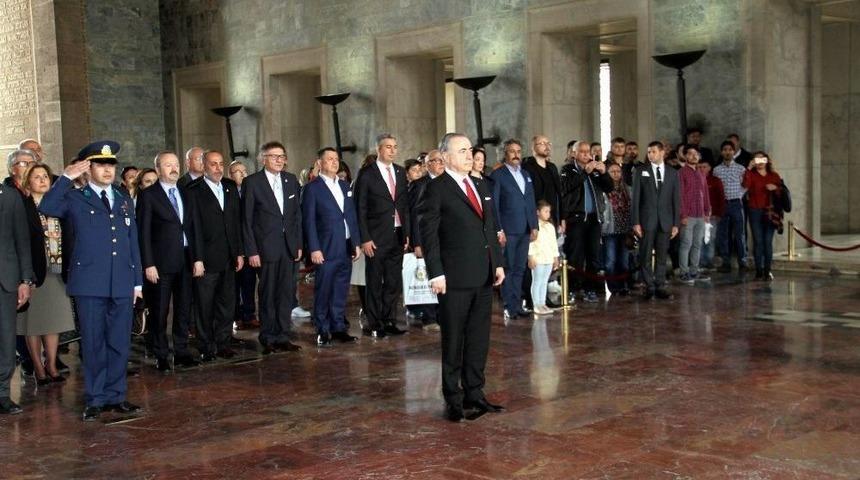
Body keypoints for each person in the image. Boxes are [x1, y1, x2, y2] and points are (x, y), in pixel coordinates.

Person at [39, 140, 144, 421]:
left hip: (121, 281)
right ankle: (96, 398)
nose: (108, 170)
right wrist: (65, 177)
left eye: (111, 165)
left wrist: (137, 282)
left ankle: (117, 395)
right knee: (94, 343)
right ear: (88, 168)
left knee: (120, 342)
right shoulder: (75, 197)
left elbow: (132, 240)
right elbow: (47, 206)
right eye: (100, 165)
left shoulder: (122, 198)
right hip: (90, 282)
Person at [419, 132, 505, 422]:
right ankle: (453, 398)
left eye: (470, 150)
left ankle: (475, 392)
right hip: (453, 278)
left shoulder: (480, 184)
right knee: (454, 340)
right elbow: (428, 235)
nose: (470, 155)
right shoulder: (437, 189)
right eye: (463, 151)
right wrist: (436, 273)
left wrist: (498, 263)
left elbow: (489, 227)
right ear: (445, 157)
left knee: (479, 339)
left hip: (482, 274)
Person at [136, 151, 199, 371]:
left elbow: (193, 228)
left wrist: (198, 258)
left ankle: (181, 351)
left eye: (176, 164)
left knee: (183, 309)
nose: (174, 169)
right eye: (168, 165)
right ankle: (160, 353)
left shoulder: (186, 192)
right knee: (160, 310)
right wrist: (148, 264)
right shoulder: (149, 195)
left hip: (185, 259)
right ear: (157, 169)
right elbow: (143, 233)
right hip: (160, 264)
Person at [242, 141, 302, 354]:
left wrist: (298, 244)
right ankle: (268, 336)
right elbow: (246, 220)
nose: (279, 160)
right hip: (264, 248)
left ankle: (283, 335)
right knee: (268, 293)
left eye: (282, 156)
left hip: (288, 248)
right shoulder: (252, 182)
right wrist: (251, 251)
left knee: (286, 293)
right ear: (263, 158)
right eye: (274, 156)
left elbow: (296, 216)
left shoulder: (291, 180)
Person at [18, 165, 75, 385]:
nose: (42, 180)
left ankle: (51, 364)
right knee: (32, 323)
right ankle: (38, 367)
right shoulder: (23, 206)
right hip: (33, 272)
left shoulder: (59, 206)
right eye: (36, 177)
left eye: (45, 177)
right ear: (27, 182)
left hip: (57, 270)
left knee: (53, 320)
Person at [185, 150, 244, 360]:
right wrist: (197, 259)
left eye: (221, 164)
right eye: (213, 164)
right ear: (204, 165)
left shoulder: (229, 188)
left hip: (228, 257)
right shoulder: (193, 190)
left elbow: (236, 223)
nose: (218, 168)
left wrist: (239, 252)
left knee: (227, 304)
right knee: (204, 305)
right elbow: (193, 229)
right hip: (206, 259)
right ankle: (205, 345)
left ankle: (223, 342)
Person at [302, 147, 361, 346]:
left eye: (336, 159)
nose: (334, 162)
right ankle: (322, 328)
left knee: (341, 288)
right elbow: (308, 221)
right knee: (324, 289)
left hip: (345, 246)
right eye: (329, 159)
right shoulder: (312, 188)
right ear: (320, 163)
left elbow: (351, 217)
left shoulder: (345, 186)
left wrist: (356, 242)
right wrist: (314, 248)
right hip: (325, 247)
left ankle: (338, 327)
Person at [354, 133, 410, 338]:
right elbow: (359, 208)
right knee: (375, 281)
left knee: (393, 282)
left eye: (395, 146)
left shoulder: (401, 172)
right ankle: (374, 322)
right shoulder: (367, 174)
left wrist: (407, 234)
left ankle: (389, 320)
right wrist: (364, 238)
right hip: (375, 238)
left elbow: (405, 207)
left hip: (397, 235)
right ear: (378, 149)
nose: (393, 150)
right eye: (388, 147)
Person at [559, 141, 613, 303]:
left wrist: (604, 173)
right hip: (576, 219)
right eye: (581, 152)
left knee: (593, 255)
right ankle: (573, 289)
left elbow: (609, 187)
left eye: (587, 151)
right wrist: (584, 173)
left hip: (594, 218)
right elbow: (565, 188)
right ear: (574, 154)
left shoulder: (595, 169)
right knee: (575, 256)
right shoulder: (567, 170)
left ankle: (591, 288)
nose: (586, 154)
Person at [490, 139, 537, 319]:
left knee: (520, 268)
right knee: (508, 268)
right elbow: (494, 204)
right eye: (512, 151)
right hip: (508, 229)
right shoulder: (498, 175)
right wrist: (498, 229)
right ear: (505, 154)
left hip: (525, 228)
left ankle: (517, 305)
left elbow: (530, 201)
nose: (516, 154)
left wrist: (534, 225)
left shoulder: (526, 174)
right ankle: (509, 306)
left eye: (518, 151)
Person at [0, 173, 33, 415]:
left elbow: (22, 240)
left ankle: (2, 393)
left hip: (6, 280)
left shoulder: (10, 197)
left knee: (6, 338)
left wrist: (25, 279)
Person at [631, 141, 680, 300]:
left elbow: (676, 200)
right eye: (649, 152)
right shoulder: (641, 171)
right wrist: (636, 221)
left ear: (662, 152)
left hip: (665, 220)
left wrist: (675, 223)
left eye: (653, 151)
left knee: (662, 255)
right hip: (647, 220)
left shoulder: (673, 172)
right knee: (645, 254)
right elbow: (636, 198)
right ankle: (648, 286)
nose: (650, 154)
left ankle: (660, 285)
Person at [407, 149, 444, 331]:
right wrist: (417, 243)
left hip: (445, 239)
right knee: (428, 276)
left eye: (442, 160)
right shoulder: (419, 184)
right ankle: (429, 317)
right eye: (436, 161)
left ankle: (441, 314)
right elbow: (415, 217)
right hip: (426, 240)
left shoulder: (447, 182)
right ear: (427, 164)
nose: (440, 164)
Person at [228, 161, 258, 330]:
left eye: (244, 171)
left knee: (249, 282)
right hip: (234, 247)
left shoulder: (251, 190)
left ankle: (249, 314)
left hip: (249, 246)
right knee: (234, 285)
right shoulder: (228, 191)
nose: (242, 174)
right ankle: (235, 316)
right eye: (237, 171)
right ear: (231, 175)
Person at [743, 152, 782, 281]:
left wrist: (775, 188)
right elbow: (745, 185)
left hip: (770, 211)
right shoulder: (752, 174)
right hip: (755, 210)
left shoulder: (774, 175)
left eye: (762, 159)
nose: (759, 162)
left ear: (767, 161)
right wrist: (748, 168)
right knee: (758, 241)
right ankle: (759, 270)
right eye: (756, 159)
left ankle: (768, 270)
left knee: (767, 241)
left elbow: (782, 192)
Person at [677, 145, 711, 285]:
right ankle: (684, 273)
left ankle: (694, 271)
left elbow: (705, 193)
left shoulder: (701, 173)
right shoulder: (681, 173)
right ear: (685, 157)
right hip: (688, 215)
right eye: (690, 154)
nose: (693, 156)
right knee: (686, 244)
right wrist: (683, 215)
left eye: (696, 154)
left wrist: (707, 211)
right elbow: (679, 195)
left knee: (697, 244)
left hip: (700, 215)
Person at [713, 140, 749, 273]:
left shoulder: (741, 168)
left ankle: (743, 262)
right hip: (722, 204)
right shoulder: (716, 170)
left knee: (739, 234)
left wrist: (738, 195)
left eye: (730, 150)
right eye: (725, 150)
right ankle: (725, 262)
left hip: (736, 203)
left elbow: (746, 186)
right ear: (722, 152)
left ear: (734, 152)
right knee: (723, 234)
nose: (727, 152)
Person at [601, 162, 632, 295]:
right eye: (612, 171)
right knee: (610, 261)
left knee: (624, 261)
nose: (616, 174)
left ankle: (623, 285)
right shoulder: (603, 190)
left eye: (618, 171)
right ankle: (613, 288)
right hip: (610, 230)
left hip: (625, 229)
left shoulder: (628, 189)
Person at [528, 201, 559, 314]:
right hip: (538, 258)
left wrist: (555, 257)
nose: (548, 214)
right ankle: (536, 304)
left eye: (549, 211)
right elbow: (530, 243)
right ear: (537, 212)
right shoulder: (534, 226)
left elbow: (553, 243)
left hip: (548, 258)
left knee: (544, 281)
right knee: (537, 281)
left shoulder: (550, 226)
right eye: (545, 211)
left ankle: (542, 303)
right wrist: (530, 256)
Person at [697, 161, 725, 271]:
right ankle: (699, 263)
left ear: (709, 168)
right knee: (699, 239)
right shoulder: (695, 180)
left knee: (710, 238)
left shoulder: (715, 181)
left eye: (704, 166)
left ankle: (709, 261)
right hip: (698, 215)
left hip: (712, 216)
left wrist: (719, 213)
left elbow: (721, 198)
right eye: (700, 167)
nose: (702, 169)